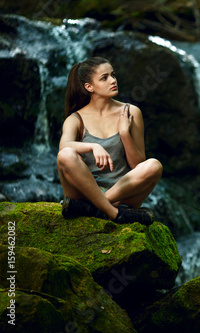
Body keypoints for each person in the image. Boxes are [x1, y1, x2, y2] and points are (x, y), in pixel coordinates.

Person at [57, 57, 163, 225]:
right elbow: (63, 147)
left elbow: (138, 166)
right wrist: (93, 146)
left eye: (113, 75)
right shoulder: (76, 119)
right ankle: (114, 214)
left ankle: (95, 207)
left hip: (122, 195)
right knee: (66, 155)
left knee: (154, 165)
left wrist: (124, 134)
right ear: (88, 87)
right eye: (104, 78)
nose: (113, 80)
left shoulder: (131, 112)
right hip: (85, 192)